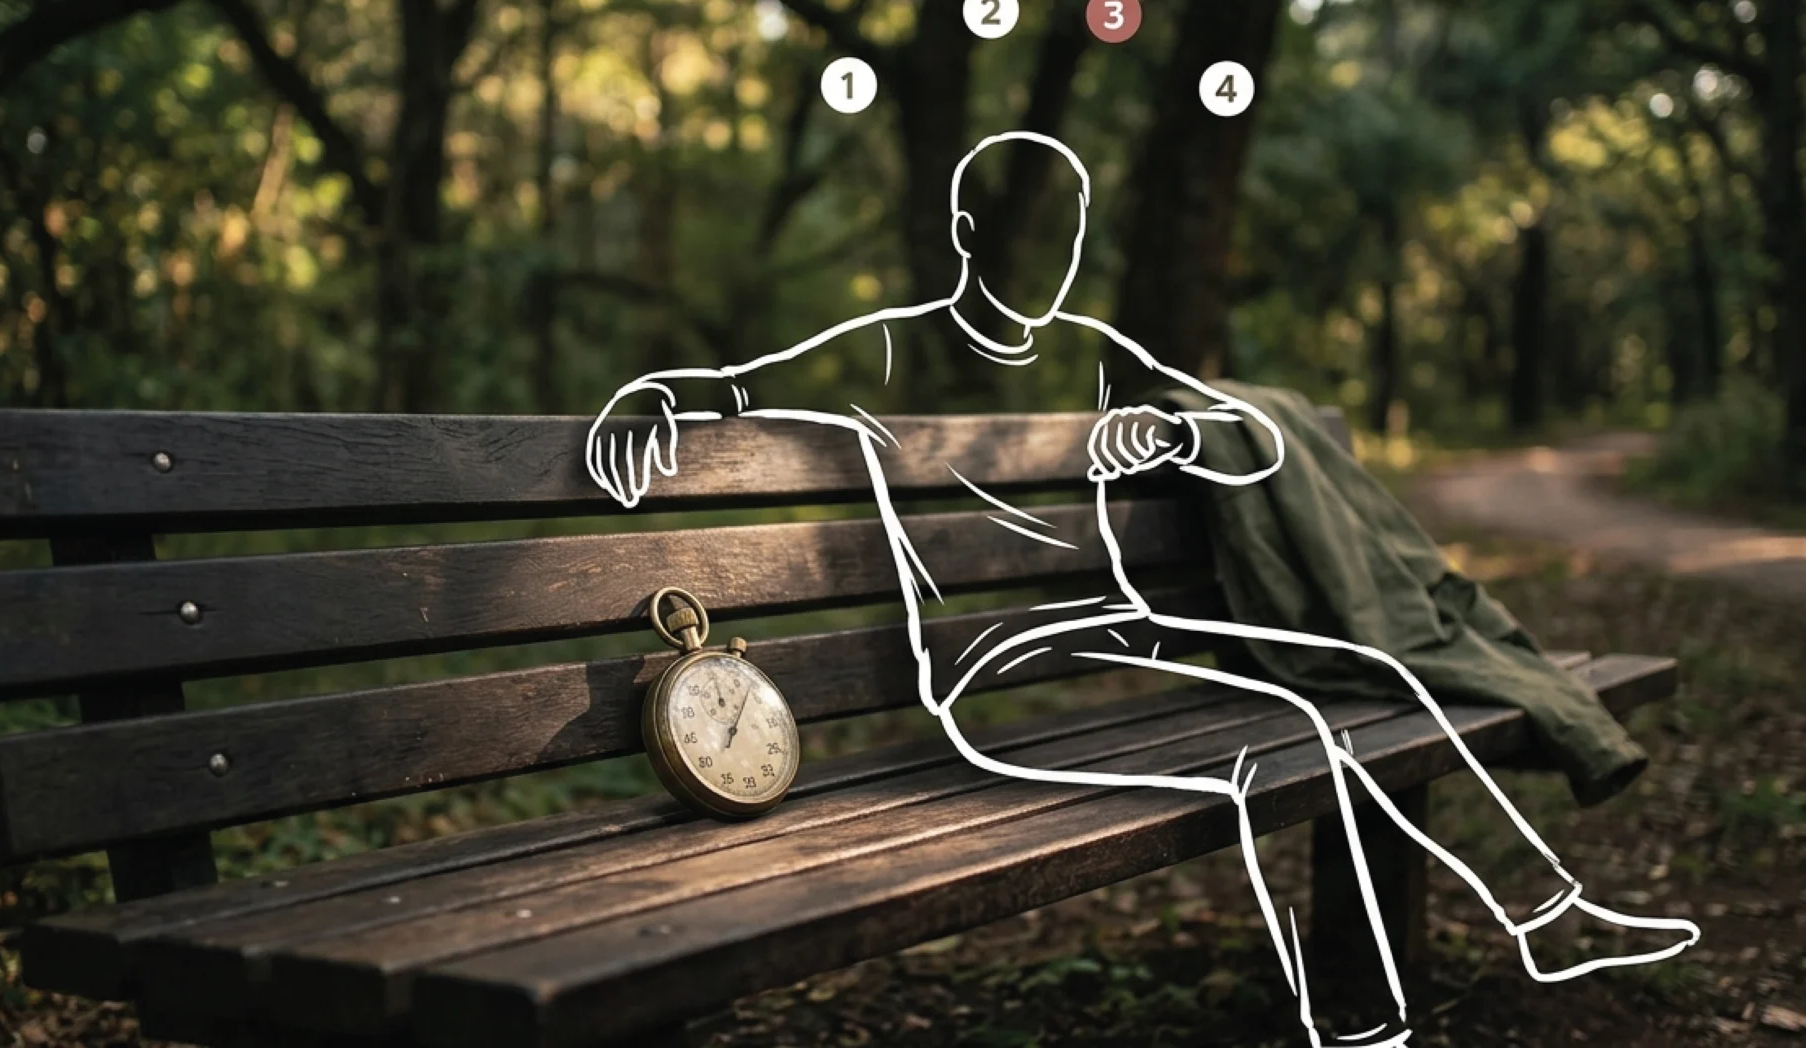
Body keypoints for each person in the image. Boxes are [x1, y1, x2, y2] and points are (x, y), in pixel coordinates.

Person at [585, 131, 1698, 1047]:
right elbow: (726, 382)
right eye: (1038, 240)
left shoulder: (1095, 348)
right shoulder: (887, 346)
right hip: (984, 667)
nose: (1058, 266)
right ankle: (1348, 1022)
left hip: (1131, 625)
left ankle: (1543, 914)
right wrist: (652, 403)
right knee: (1253, 768)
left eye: (1072, 240)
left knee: (1368, 682)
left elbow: (1257, 438)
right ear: (969, 235)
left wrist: (1181, 430)